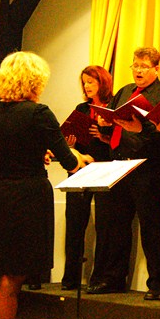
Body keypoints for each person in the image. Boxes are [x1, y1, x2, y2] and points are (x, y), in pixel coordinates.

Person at [0, 51, 90, 319]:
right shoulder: (39, 113)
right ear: (35, 81)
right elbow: (70, 162)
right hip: (27, 197)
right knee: (11, 281)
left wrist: (22, 156)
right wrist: (80, 157)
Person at [87, 46, 160, 300]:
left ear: (156, 68)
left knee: (150, 225)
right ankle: (114, 278)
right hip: (120, 163)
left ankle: (157, 283)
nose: (138, 71)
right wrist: (105, 124)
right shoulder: (126, 91)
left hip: (149, 167)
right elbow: (116, 123)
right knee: (116, 224)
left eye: (144, 67)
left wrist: (142, 129)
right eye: (135, 65)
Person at [61, 66, 113, 291]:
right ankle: (70, 278)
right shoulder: (81, 109)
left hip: (105, 169)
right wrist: (70, 144)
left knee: (104, 225)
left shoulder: (112, 109)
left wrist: (103, 137)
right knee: (74, 223)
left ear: (103, 83)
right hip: (81, 168)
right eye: (84, 82)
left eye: (91, 82)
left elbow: (120, 143)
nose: (87, 86)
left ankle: (98, 277)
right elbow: (69, 137)